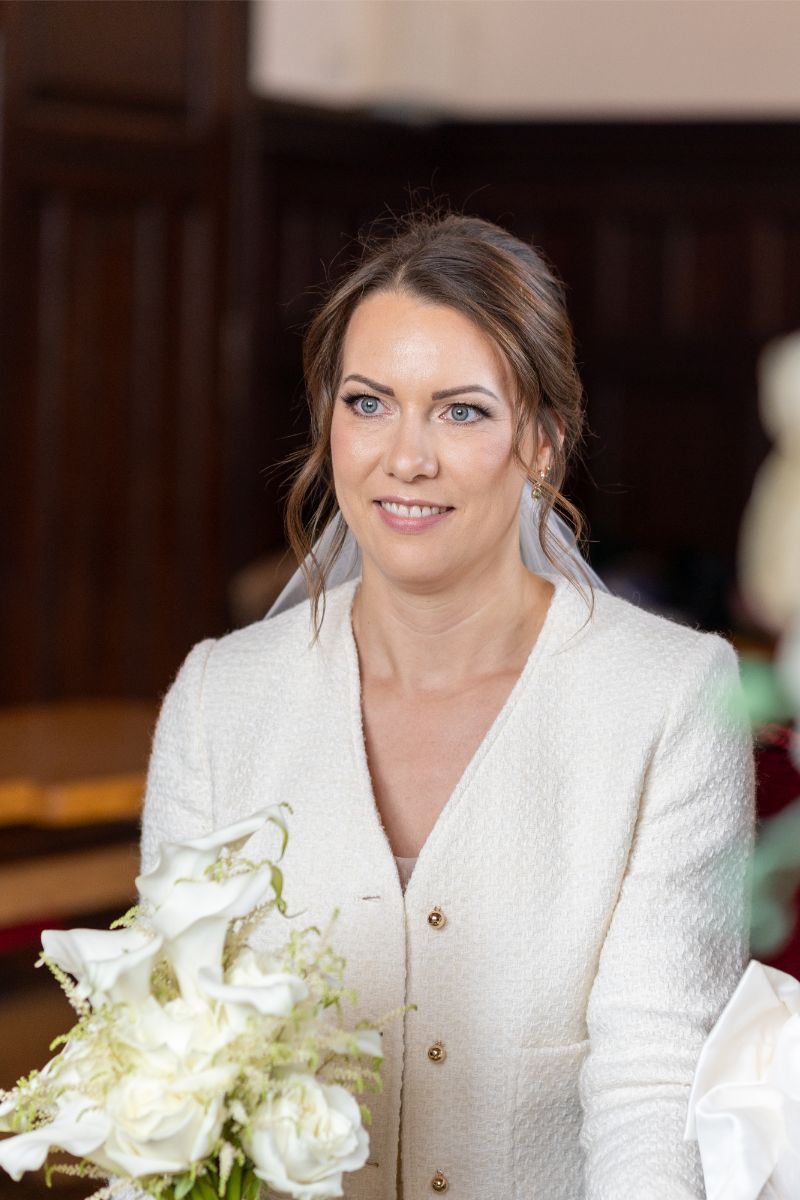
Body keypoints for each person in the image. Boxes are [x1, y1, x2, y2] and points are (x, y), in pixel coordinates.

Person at [140, 212, 756, 1199]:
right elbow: (173, 1067)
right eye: (369, 403)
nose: (405, 457)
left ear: (543, 443)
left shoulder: (669, 698)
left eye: (460, 410)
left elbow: (652, 1084)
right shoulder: (220, 698)